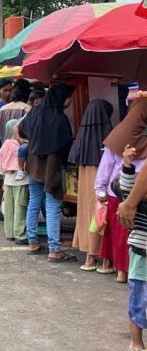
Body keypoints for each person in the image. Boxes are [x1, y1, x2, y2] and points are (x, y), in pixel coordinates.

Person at [19, 84, 77, 263]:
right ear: (61, 98)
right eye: (69, 97)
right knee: (52, 207)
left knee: (34, 203)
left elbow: (21, 129)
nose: (70, 101)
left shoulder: (34, 112)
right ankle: (54, 250)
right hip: (51, 166)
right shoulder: (60, 119)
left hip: (33, 163)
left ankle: (33, 243)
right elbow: (66, 147)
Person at [97, 97, 147, 281]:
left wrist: (100, 190)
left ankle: (121, 271)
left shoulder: (118, 137)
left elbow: (106, 167)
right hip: (137, 197)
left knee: (122, 235)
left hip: (117, 194)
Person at [68, 100, 114, 272]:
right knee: (103, 216)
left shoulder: (82, 133)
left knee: (87, 214)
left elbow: (74, 155)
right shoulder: (109, 133)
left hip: (84, 176)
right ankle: (106, 260)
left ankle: (89, 258)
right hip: (103, 180)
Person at [115, 144, 147, 351]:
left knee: (140, 301)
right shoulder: (135, 193)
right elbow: (126, 188)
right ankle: (137, 344)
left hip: (141, 253)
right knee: (139, 302)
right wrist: (127, 164)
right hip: (141, 253)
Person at [0, 119, 28, 243]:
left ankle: (9, 232)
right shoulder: (22, 144)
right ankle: (20, 233)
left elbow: (1, 162)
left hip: (8, 179)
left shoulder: (5, 144)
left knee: (9, 207)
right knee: (20, 206)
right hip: (21, 179)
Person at [0, 78, 31, 142]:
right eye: (5, 90)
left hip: (5, 146)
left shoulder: (2, 109)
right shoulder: (27, 108)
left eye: (10, 90)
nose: (8, 93)